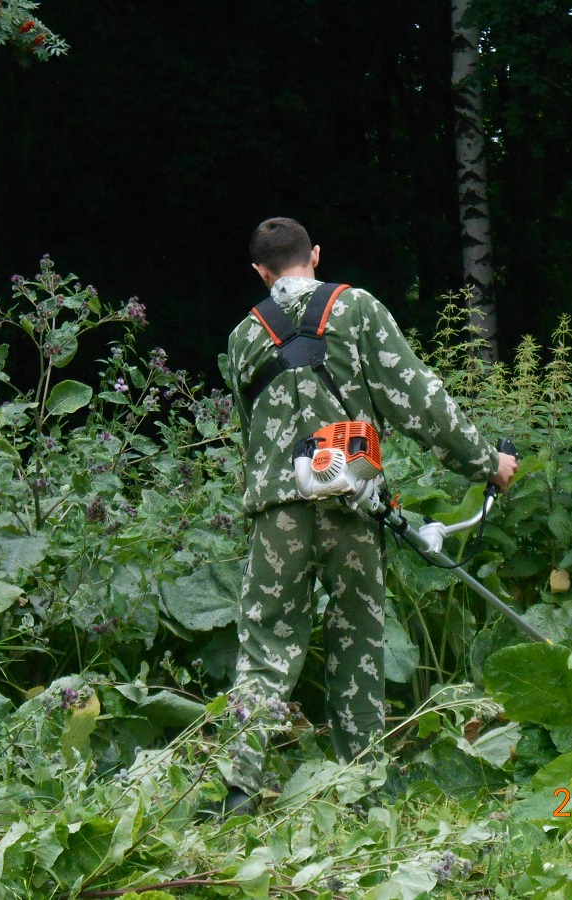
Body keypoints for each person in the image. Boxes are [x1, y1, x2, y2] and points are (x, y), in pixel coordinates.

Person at [221, 216, 517, 803]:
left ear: (260, 272)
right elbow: (419, 398)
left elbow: (250, 434)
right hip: (355, 503)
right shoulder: (354, 309)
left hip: (278, 514)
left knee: (264, 651)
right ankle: (363, 786)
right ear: (317, 255)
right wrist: (487, 463)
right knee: (358, 640)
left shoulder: (241, 338)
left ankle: (239, 788)